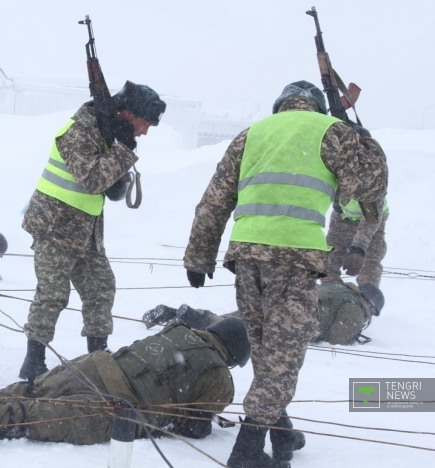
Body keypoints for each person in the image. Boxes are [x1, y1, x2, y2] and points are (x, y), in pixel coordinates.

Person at [183, 81, 388, 468]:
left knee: (265, 349)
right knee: (283, 358)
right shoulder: (331, 131)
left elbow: (214, 201)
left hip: (246, 255)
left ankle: (282, 432)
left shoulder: (252, 134)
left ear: (281, 106)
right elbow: (372, 189)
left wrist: (198, 256)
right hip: (293, 259)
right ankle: (246, 453)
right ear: (317, 105)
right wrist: (365, 141)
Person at [0, 317, 250, 445]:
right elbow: (195, 428)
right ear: (234, 356)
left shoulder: (179, 330)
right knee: (25, 418)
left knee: (27, 391)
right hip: (113, 406)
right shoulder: (220, 378)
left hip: (92, 365)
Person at [18, 81, 167, 380]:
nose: (145, 131)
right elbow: (92, 180)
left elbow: (109, 188)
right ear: (128, 113)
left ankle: (98, 358)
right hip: (54, 226)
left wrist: (120, 149)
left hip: (86, 231)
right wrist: (123, 151)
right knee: (52, 295)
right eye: (144, 123)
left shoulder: (108, 132)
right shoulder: (81, 130)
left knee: (101, 289)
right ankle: (33, 361)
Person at [142, 280, 384, 346]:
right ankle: (197, 321)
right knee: (236, 329)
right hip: (293, 319)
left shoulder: (338, 287)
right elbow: (337, 338)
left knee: (234, 319)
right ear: (369, 305)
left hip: (280, 299)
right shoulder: (354, 308)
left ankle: (186, 315)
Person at [321, 189, 389, 308]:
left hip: (374, 220)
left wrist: (358, 250)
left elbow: (370, 222)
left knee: (370, 263)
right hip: (342, 217)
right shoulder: (338, 177)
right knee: (328, 261)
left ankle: (366, 305)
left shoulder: (372, 181)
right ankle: (333, 298)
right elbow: (334, 238)